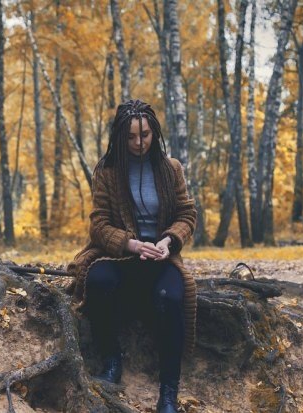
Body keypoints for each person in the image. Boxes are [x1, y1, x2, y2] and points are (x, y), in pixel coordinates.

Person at [67, 99, 197, 413]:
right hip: (123, 257)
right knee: (97, 280)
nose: (139, 143)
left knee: (170, 298)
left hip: (162, 259)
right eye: (132, 137)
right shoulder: (108, 171)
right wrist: (132, 245)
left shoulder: (170, 168)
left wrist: (168, 241)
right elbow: (98, 224)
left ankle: (168, 393)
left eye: (146, 135)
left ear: (155, 134)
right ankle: (111, 360)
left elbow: (187, 214)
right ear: (120, 137)